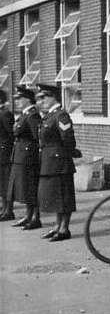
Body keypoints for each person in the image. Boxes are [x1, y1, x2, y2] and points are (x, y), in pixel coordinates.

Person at [35, 83, 78, 241]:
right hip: (50, 162)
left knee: (64, 197)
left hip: (60, 162)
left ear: (54, 97)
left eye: (44, 97)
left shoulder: (61, 115)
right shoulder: (49, 115)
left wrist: (68, 154)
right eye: (40, 97)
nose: (42, 100)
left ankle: (64, 229)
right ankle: (57, 226)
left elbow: (67, 138)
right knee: (56, 196)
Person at [5, 86, 41, 229]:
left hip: (28, 158)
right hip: (21, 157)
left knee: (31, 188)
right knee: (25, 188)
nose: (17, 101)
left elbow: (37, 138)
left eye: (19, 99)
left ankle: (35, 218)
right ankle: (28, 216)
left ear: (27, 99)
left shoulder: (32, 115)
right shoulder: (24, 115)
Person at [0, 89, 14, 219]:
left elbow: (11, 134)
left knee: (5, 183)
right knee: (1, 184)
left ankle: (8, 211)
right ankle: (4, 209)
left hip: (4, 153)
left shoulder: (5, 114)